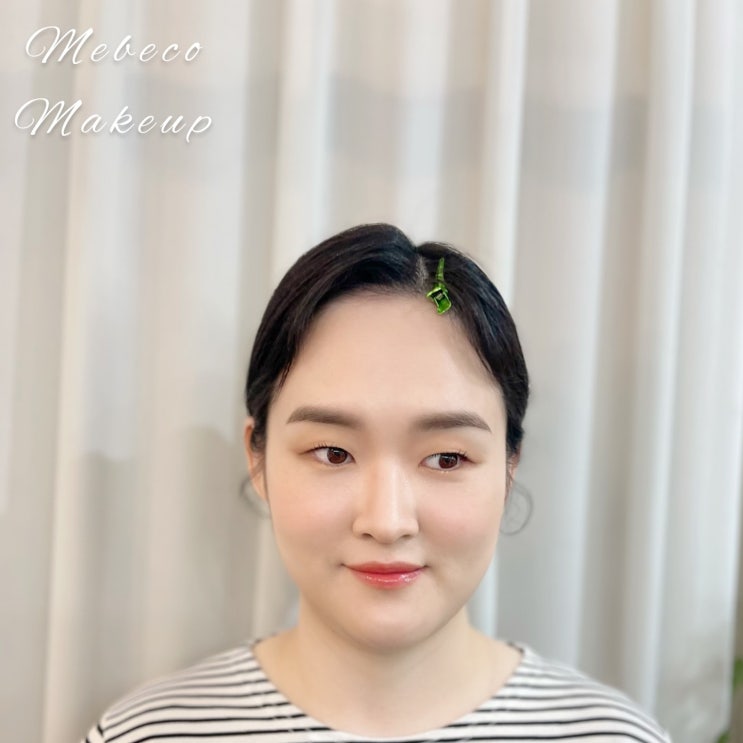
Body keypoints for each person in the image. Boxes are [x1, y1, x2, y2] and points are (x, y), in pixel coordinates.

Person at [82, 223, 671, 742]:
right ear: (257, 460)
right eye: (333, 453)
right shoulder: (145, 733)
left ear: (509, 465)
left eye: (446, 458)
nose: (387, 522)